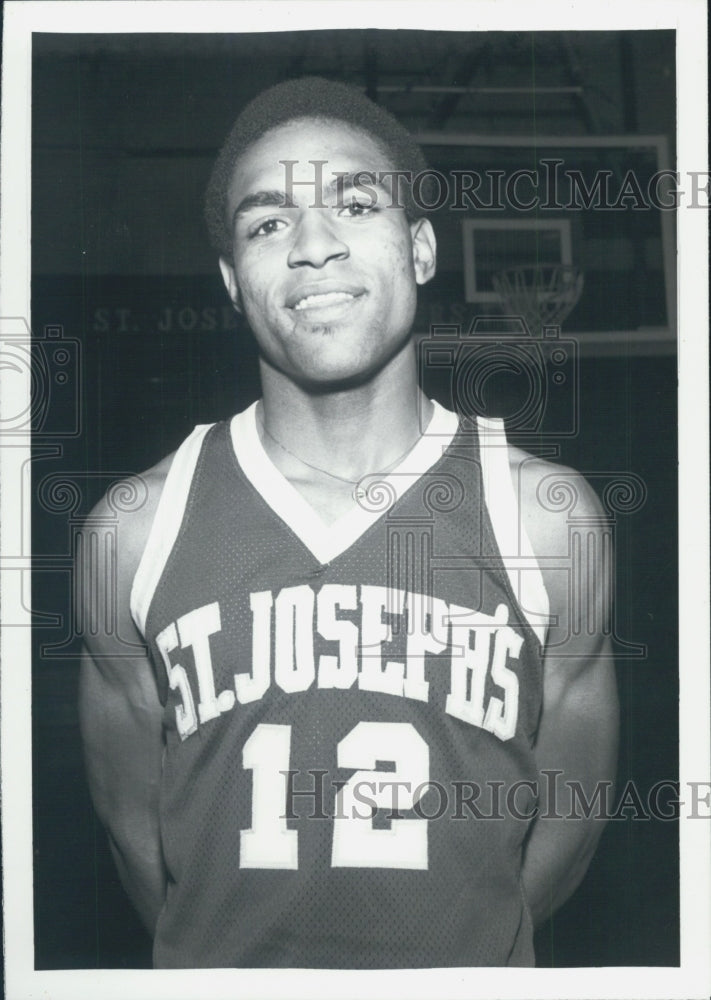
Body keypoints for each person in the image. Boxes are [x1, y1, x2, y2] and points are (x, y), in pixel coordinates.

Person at [78, 76, 618, 969]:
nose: (313, 246)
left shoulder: (549, 522)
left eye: (354, 204)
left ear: (421, 248)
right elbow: (133, 829)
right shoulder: (130, 530)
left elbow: (571, 813)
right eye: (266, 223)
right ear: (230, 280)